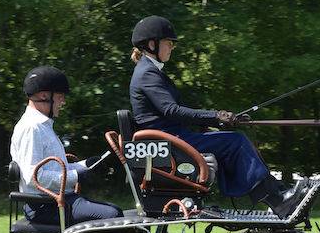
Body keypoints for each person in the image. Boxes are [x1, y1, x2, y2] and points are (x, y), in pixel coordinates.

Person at [128, 15, 309, 218]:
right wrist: (216, 116)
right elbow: (172, 111)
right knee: (235, 141)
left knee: (231, 140)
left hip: (173, 138)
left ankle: (278, 193)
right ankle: (278, 200)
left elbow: (169, 112)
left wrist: (209, 123)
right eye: (169, 43)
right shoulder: (147, 74)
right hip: (170, 143)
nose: (172, 48)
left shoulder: (148, 71)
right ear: (151, 44)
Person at [11, 65, 122, 226]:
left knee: (114, 210)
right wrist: (78, 176)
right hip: (45, 206)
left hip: (56, 200)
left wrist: (88, 165)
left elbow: (56, 169)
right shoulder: (31, 128)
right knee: (113, 214)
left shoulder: (42, 126)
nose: (63, 101)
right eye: (60, 96)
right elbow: (34, 177)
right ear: (43, 95)